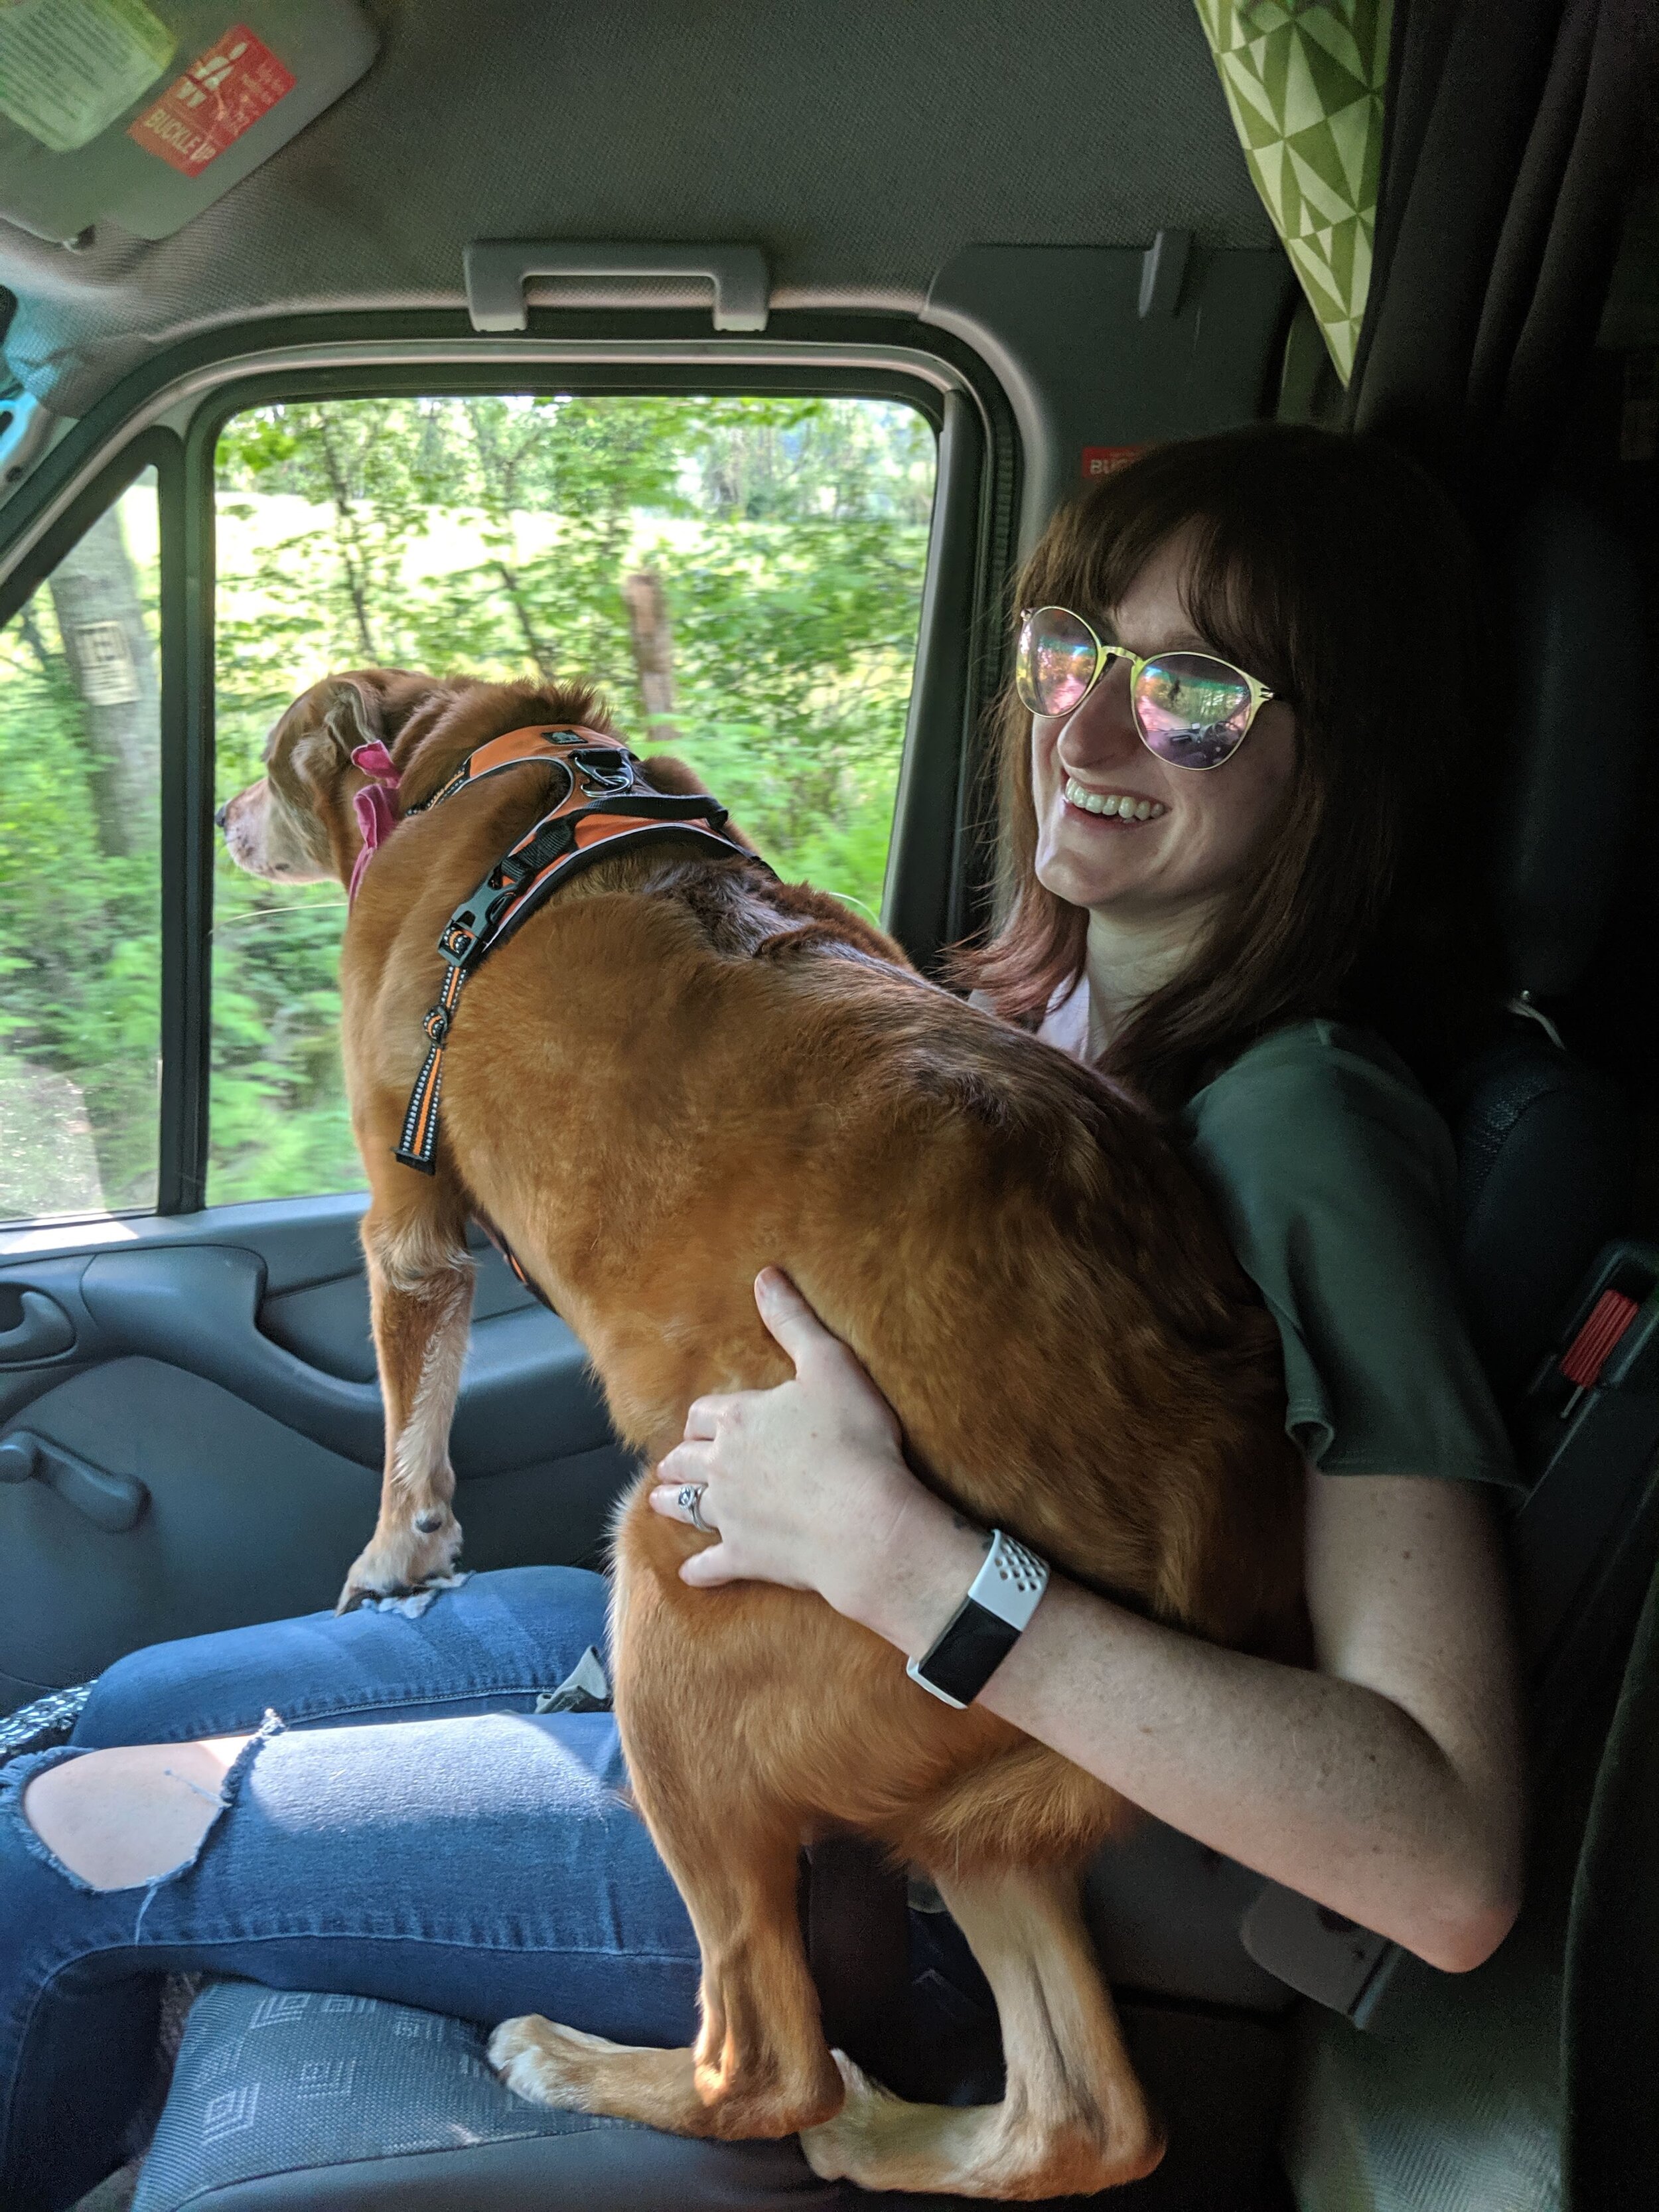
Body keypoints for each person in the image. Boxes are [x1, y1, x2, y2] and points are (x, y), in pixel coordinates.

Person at [0, 425, 1524, 2212]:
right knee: (90, 1719)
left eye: (1196, 689)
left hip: (915, 1834)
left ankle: (764, 2057)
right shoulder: (1054, 1026)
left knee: (55, 1853)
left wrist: (911, 1569)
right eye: (1069, 651)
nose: (1084, 730)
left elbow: (1441, 1862)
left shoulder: (1302, 1129)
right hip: (823, 1677)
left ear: (1344, 760)